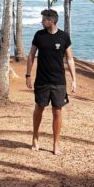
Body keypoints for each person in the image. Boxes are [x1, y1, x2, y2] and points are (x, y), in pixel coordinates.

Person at [25, 8, 76, 155]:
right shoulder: (39, 36)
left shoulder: (64, 37)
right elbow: (30, 56)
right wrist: (28, 75)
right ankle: (35, 137)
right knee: (39, 109)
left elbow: (70, 59)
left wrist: (74, 79)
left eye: (44, 19)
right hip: (42, 80)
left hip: (59, 82)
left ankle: (56, 144)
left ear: (52, 20)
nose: (42, 21)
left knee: (57, 112)